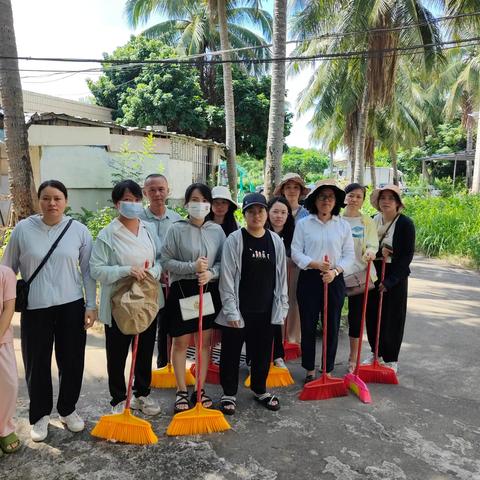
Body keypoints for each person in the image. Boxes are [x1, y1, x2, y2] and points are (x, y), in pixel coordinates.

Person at [2, 180, 97, 442]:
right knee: (37, 363)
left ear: (65, 201)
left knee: (72, 359)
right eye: (46, 198)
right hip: (36, 307)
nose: (51, 203)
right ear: (39, 201)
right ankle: (40, 415)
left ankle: (68, 410)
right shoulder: (23, 229)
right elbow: (7, 270)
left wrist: (91, 305)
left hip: (71, 305)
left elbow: (88, 271)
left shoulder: (78, 230)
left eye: (57, 198)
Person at [90, 179, 163, 416]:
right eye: (126, 200)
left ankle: (142, 393)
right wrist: (126, 270)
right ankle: (118, 398)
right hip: (119, 304)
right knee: (118, 352)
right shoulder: (108, 234)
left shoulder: (148, 229)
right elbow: (96, 269)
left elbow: (160, 261)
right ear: (116, 204)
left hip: (147, 300)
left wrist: (152, 272)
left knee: (143, 351)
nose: (132, 204)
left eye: (135, 200)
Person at [216, 193, 288, 414]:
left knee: (263, 353)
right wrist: (231, 312)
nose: (256, 215)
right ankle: (228, 394)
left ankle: (260, 389)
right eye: (251, 211)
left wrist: (282, 306)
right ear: (244, 214)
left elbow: (282, 277)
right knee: (231, 353)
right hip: (239, 310)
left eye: (260, 211)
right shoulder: (235, 240)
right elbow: (227, 278)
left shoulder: (275, 241)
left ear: (266, 213)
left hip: (266, 310)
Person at [160, 183, 225, 413]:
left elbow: (221, 262)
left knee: (204, 344)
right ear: (186, 204)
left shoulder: (217, 231)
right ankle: (181, 391)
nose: (199, 205)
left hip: (206, 290)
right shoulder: (176, 229)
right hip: (183, 291)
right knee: (180, 342)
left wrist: (210, 273)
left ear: (209, 204)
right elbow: (165, 260)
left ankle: (200, 389)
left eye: (204, 200)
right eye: (194, 200)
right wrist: (191, 267)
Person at [291, 180, 354, 383]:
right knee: (308, 325)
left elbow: (349, 255)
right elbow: (296, 252)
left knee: (332, 325)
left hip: (334, 280)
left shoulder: (343, 226)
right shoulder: (303, 224)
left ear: (336, 201)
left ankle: (326, 369)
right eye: (322, 196)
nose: (326, 201)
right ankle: (309, 368)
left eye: (330, 197)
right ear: (314, 201)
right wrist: (314, 264)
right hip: (310, 278)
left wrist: (335, 272)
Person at [364, 184, 415, 373]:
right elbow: (365, 247)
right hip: (374, 271)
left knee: (393, 316)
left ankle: (391, 357)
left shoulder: (405, 224)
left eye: (390, 198)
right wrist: (379, 252)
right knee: (372, 314)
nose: (386, 202)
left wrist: (391, 281)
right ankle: (375, 352)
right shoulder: (371, 221)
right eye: (382, 198)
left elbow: (407, 255)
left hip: (395, 274)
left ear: (398, 203)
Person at [140, 173, 181, 369]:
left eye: (161, 189)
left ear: (168, 190)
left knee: (168, 324)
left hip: (171, 281)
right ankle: (142, 375)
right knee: (145, 326)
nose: (157, 194)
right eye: (152, 190)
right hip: (145, 282)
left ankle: (165, 363)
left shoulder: (177, 219)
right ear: (145, 193)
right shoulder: (137, 219)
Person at [341, 183, 379, 373]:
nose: (354, 199)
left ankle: (352, 359)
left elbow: (373, 243)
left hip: (359, 277)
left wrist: (371, 251)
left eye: (358, 196)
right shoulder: (336, 219)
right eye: (351, 195)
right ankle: (328, 358)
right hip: (337, 275)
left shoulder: (367, 222)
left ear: (363, 200)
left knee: (356, 318)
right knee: (332, 316)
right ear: (345, 197)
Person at [273, 173, 310, 345]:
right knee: (275, 299)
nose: (292, 191)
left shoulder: (307, 215)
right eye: (288, 187)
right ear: (282, 190)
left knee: (293, 301)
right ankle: (276, 340)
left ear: (301, 191)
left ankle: (293, 340)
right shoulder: (274, 209)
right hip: (275, 264)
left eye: (296, 187)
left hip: (296, 265)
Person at [266, 196, 295, 369]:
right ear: (268, 212)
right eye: (275, 211)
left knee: (278, 318)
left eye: (283, 212)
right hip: (262, 282)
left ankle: (278, 355)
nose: (279, 216)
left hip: (284, 282)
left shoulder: (292, 233)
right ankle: (255, 356)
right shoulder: (260, 231)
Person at [0, 266, 20, 454]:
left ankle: (4, 427)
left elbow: (9, 307)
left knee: (10, 384)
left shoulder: (5, 273)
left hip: (2, 340)